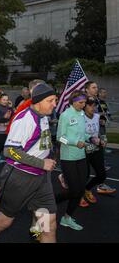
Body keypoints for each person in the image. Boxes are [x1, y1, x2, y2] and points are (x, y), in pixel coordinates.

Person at [0, 83, 58, 243]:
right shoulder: (25, 119)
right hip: (20, 179)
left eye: (55, 100)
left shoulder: (44, 116)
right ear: (39, 101)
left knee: (48, 224)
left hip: (42, 181)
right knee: (5, 220)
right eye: (51, 100)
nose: (55, 104)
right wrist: (41, 163)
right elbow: (10, 151)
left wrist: (50, 159)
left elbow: (43, 145)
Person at [55, 90, 90, 231]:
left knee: (80, 190)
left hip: (81, 157)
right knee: (75, 190)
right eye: (81, 102)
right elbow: (59, 137)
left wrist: (91, 137)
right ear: (73, 101)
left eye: (84, 103)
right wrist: (75, 142)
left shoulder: (81, 114)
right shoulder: (65, 115)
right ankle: (48, 202)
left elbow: (83, 133)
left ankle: (66, 218)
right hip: (68, 157)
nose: (83, 105)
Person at [81, 97, 116, 206]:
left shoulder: (97, 117)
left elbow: (101, 131)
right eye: (90, 105)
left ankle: (87, 189)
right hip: (84, 150)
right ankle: (79, 195)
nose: (93, 107)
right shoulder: (80, 117)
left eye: (94, 105)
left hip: (96, 149)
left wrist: (103, 139)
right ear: (84, 106)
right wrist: (89, 140)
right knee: (84, 175)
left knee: (102, 175)